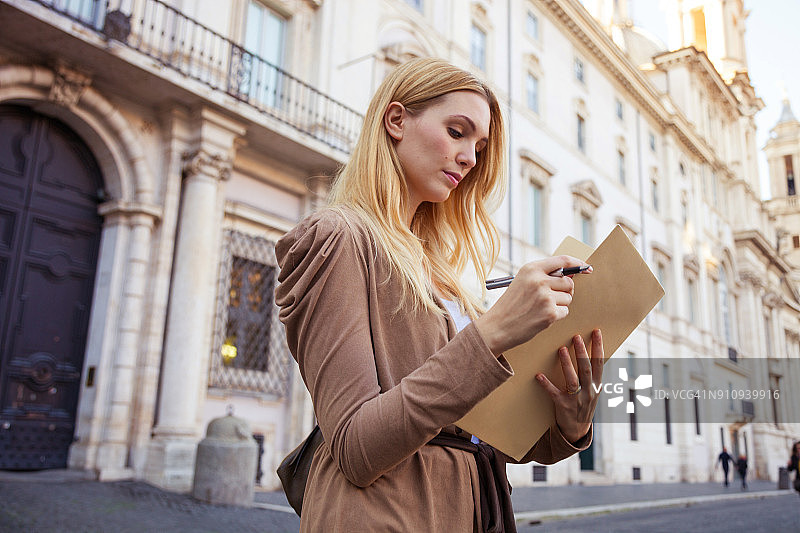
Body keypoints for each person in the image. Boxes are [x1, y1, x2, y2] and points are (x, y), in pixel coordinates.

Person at [274, 57, 604, 532]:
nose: (471, 158)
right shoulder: (338, 237)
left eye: (480, 146)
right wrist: (490, 335)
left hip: (467, 511)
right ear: (396, 121)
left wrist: (570, 422)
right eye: (456, 132)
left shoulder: (441, 274)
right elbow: (355, 446)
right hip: (384, 516)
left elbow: (482, 435)